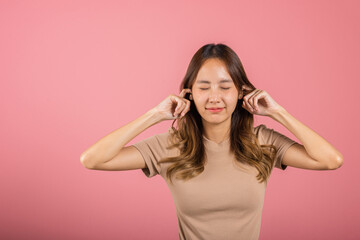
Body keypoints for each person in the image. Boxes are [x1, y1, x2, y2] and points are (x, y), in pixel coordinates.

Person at [80, 43, 344, 240]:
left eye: (225, 87)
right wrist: (155, 115)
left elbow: (331, 160)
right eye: (204, 88)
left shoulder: (261, 141)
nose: (214, 97)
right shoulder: (170, 146)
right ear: (190, 94)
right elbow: (92, 159)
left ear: (241, 92)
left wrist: (278, 112)